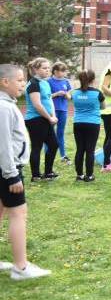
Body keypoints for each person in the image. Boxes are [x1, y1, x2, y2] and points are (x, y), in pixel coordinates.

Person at [0, 64, 52, 280]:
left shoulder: (7, 105)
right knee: (18, 214)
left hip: (6, 169)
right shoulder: (4, 108)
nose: (23, 84)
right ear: (5, 82)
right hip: (8, 171)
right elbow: (3, 144)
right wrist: (12, 175)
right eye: (20, 80)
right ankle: (20, 267)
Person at [24, 58, 59, 182]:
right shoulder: (33, 84)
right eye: (44, 68)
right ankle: (36, 176)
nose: (47, 70)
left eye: (48, 68)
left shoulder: (45, 83)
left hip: (46, 119)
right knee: (37, 147)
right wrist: (49, 117)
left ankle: (48, 172)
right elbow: (37, 105)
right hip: (35, 120)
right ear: (35, 69)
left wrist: (53, 115)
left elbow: (49, 100)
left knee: (54, 145)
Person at [72, 70, 104, 182]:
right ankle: (89, 175)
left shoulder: (74, 93)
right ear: (93, 80)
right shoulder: (98, 93)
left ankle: (79, 175)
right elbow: (103, 107)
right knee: (90, 150)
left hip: (78, 123)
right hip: (92, 123)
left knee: (80, 149)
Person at [48, 62, 72, 164]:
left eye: (64, 71)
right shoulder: (48, 81)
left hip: (63, 110)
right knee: (49, 134)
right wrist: (57, 94)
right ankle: (49, 155)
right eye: (61, 71)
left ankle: (63, 156)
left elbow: (70, 97)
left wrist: (66, 95)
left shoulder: (66, 81)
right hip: (52, 111)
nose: (63, 73)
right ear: (55, 71)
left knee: (60, 133)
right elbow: (46, 96)